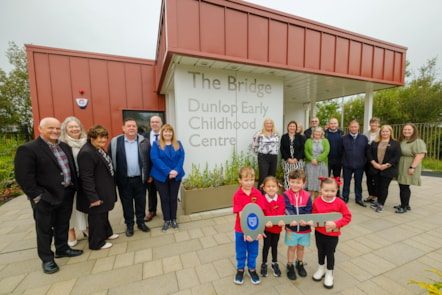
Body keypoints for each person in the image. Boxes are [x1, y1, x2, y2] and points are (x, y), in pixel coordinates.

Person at [14, 117, 83, 274]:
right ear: (40, 129)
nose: (55, 131)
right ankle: (47, 259)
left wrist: (73, 187)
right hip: (45, 198)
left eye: (58, 129)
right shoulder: (29, 149)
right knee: (44, 230)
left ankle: (62, 248)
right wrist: (38, 197)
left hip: (66, 193)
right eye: (51, 128)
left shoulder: (64, 146)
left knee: (63, 224)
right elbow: (24, 177)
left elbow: (70, 168)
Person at [77, 125, 119, 250]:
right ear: (91, 138)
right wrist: (93, 198)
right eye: (99, 138)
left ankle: (107, 233)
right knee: (96, 217)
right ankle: (96, 243)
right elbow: (86, 178)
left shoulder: (97, 149)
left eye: (105, 138)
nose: (103, 141)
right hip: (96, 193)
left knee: (103, 214)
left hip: (103, 190)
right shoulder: (87, 153)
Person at [108, 118, 151, 237]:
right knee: (126, 204)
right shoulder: (115, 142)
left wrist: (149, 175)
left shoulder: (144, 141)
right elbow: (110, 161)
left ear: (137, 128)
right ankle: (129, 225)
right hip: (124, 180)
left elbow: (149, 160)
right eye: (129, 126)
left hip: (140, 179)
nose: (131, 128)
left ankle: (141, 223)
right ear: (123, 128)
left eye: (134, 126)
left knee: (141, 202)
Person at [312, 177, 352, 289]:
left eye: (333, 191)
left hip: (332, 235)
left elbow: (347, 217)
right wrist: (313, 222)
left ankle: (329, 273)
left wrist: (337, 224)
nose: (329, 194)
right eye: (326, 191)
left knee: (330, 253)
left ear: (337, 190)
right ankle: (321, 268)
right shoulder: (317, 201)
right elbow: (313, 215)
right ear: (321, 189)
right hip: (319, 232)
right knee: (320, 250)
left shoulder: (340, 203)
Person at [233, 166, 265, 285]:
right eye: (246, 180)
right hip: (241, 230)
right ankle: (240, 269)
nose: (249, 183)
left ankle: (252, 269)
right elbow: (241, 214)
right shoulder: (237, 195)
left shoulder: (257, 193)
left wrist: (259, 230)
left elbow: (260, 212)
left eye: (251, 179)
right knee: (240, 250)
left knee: (253, 250)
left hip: (254, 230)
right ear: (240, 180)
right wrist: (246, 231)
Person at [150, 124, 185, 231]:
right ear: (162, 133)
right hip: (160, 176)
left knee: (173, 198)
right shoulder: (156, 145)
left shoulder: (178, 144)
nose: (168, 133)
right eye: (165, 131)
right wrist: (169, 171)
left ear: (172, 133)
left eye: (170, 131)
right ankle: (166, 220)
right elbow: (155, 159)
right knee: (164, 198)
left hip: (176, 175)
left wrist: (176, 170)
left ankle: (174, 219)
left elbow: (182, 157)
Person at [60, 116, 88, 247]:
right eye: (71, 127)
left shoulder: (86, 142)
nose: (74, 129)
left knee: (84, 207)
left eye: (76, 126)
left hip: (84, 181)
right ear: (65, 129)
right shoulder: (62, 144)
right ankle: (71, 232)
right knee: (70, 209)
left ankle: (86, 228)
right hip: (70, 183)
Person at [282, 169, 312, 281]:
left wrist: (305, 220)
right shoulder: (285, 195)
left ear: (304, 183)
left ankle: (299, 263)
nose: (295, 185)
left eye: (298, 182)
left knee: (301, 247)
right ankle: (290, 265)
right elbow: (287, 209)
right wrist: (292, 219)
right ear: (289, 181)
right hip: (292, 228)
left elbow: (309, 210)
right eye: (293, 182)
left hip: (304, 228)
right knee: (292, 247)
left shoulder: (307, 196)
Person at [366, 125, 401, 213]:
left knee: (384, 187)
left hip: (388, 169)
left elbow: (396, 157)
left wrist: (387, 165)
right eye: (383, 131)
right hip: (376, 168)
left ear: (390, 132)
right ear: (380, 132)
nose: (384, 133)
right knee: (377, 186)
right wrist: (374, 163)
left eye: (387, 131)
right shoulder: (375, 142)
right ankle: (378, 202)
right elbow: (369, 153)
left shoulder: (395, 143)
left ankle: (381, 204)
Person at [395, 123, 427, 213]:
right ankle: (406, 204)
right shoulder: (403, 140)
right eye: (405, 129)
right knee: (402, 185)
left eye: (409, 129)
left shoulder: (417, 141)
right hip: (402, 165)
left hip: (409, 165)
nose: (406, 131)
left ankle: (404, 206)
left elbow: (420, 155)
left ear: (414, 131)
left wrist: (412, 167)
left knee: (404, 186)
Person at [259, 176, 286, 278]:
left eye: (273, 186)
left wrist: (280, 220)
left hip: (276, 229)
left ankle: (275, 263)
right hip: (266, 228)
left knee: (274, 246)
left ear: (277, 188)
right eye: (268, 186)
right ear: (264, 188)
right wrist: (266, 222)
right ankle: (264, 263)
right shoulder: (261, 199)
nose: (271, 188)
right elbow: (261, 212)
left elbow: (281, 210)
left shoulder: (281, 199)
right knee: (266, 246)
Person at [341, 120, 369, 207]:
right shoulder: (344, 138)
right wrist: (343, 163)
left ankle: (358, 198)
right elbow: (340, 152)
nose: (353, 128)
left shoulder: (364, 138)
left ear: (358, 127)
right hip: (347, 165)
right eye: (352, 127)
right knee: (346, 182)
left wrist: (363, 162)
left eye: (355, 127)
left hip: (359, 165)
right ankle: (345, 197)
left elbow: (366, 151)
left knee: (358, 182)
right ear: (349, 127)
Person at [252, 118, 280, 190]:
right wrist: (261, 153)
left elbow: (277, 145)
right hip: (263, 157)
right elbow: (254, 146)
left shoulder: (276, 134)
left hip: (273, 157)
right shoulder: (259, 133)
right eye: (267, 123)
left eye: (270, 123)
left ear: (272, 125)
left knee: (272, 177)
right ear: (264, 124)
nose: (269, 125)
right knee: (263, 176)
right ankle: (260, 194)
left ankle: (270, 194)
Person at [144, 115, 163, 222]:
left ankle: (167, 211)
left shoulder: (166, 136)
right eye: (152, 122)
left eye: (157, 122)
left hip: (163, 171)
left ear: (161, 123)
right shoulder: (143, 137)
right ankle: (152, 211)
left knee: (164, 192)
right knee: (151, 193)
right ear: (150, 124)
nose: (154, 124)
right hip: (150, 171)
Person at [304, 127, 330, 199]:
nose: (317, 133)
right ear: (313, 133)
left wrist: (318, 160)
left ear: (322, 133)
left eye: (319, 132)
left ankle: (319, 195)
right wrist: (312, 159)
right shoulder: (308, 141)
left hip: (321, 163)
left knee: (320, 179)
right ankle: (312, 194)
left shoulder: (325, 141)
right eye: (316, 132)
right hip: (310, 163)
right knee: (311, 178)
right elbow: (306, 151)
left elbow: (326, 152)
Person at [280, 121, 305, 190]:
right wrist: (288, 158)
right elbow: (282, 149)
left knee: (298, 176)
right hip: (287, 161)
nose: (292, 127)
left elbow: (302, 149)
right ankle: (288, 192)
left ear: (296, 128)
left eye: (293, 126)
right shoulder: (284, 137)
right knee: (288, 176)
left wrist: (296, 158)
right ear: (288, 127)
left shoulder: (300, 137)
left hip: (297, 161)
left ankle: (297, 191)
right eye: (290, 126)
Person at [324, 118, 343, 197]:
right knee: (326, 178)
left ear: (337, 124)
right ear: (329, 124)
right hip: (327, 160)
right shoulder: (325, 133)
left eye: (335, 123)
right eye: (331, 123)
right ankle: (326, 193)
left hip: (338, 160)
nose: (333, 125)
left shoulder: (341, 133)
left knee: (337, 178)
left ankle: (337, 193)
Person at [364, 117, 381, 203]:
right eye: (372, 123)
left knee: (377, 179)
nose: (374, 124)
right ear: (370, 124)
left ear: (379, 124)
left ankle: (376, 196)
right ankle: (370, 195)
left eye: (376, 123)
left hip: (378, 159)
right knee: (369, 178)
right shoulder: (366, 133)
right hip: (367, 159)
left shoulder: (382, 133)